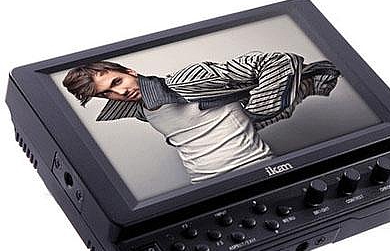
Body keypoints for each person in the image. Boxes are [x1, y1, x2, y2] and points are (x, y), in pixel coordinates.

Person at [62, 51, 340, 183]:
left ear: (130, 72)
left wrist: (261, 107)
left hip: (255, 172)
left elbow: (277, 62)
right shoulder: (140, 111)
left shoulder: (186, 81)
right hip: (202, 186)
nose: (120, 92)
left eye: (117, 81)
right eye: (107, 93)